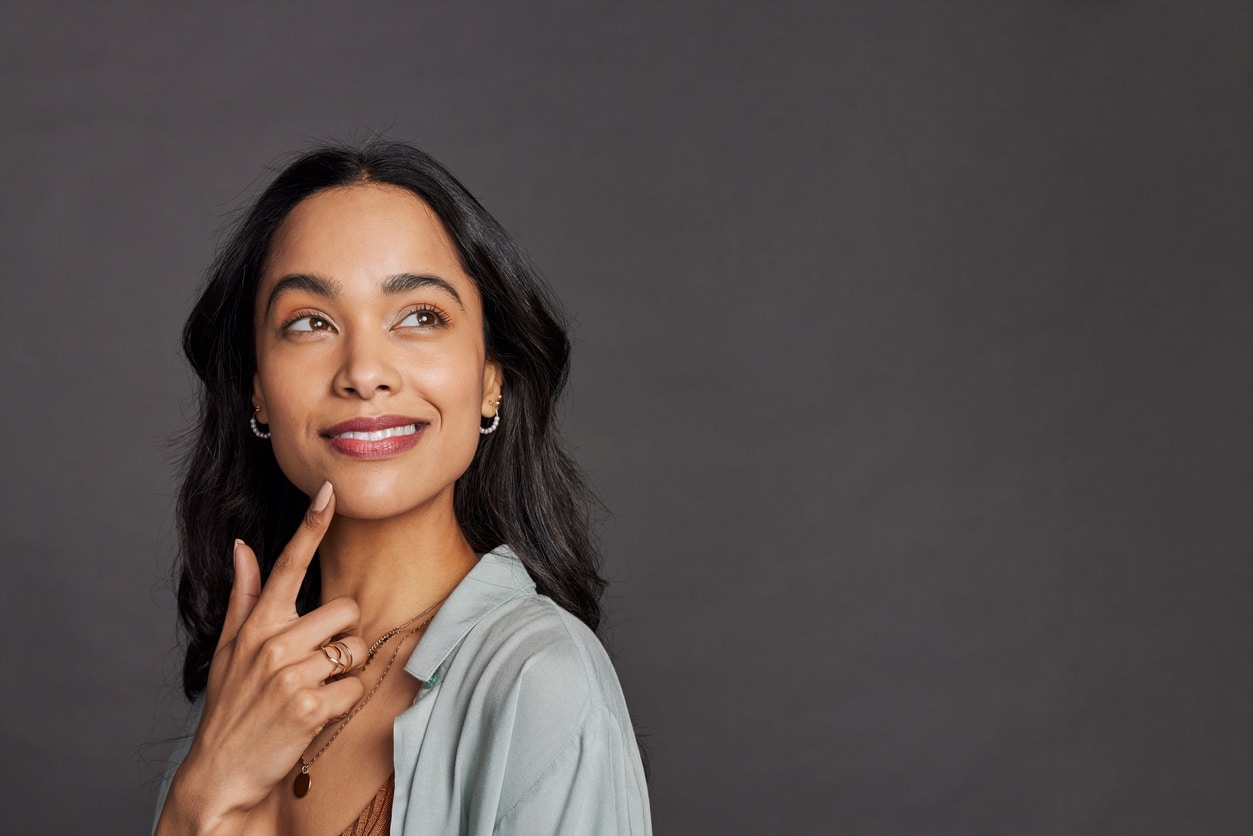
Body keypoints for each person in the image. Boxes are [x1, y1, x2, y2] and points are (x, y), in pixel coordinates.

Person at [153, 141, 651, 835]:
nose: (364, 371)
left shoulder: (540, 681)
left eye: (419, 316)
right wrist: (200, 796)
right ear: (257, 390)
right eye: (310, 322)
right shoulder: (250, 684)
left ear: (490, 378)